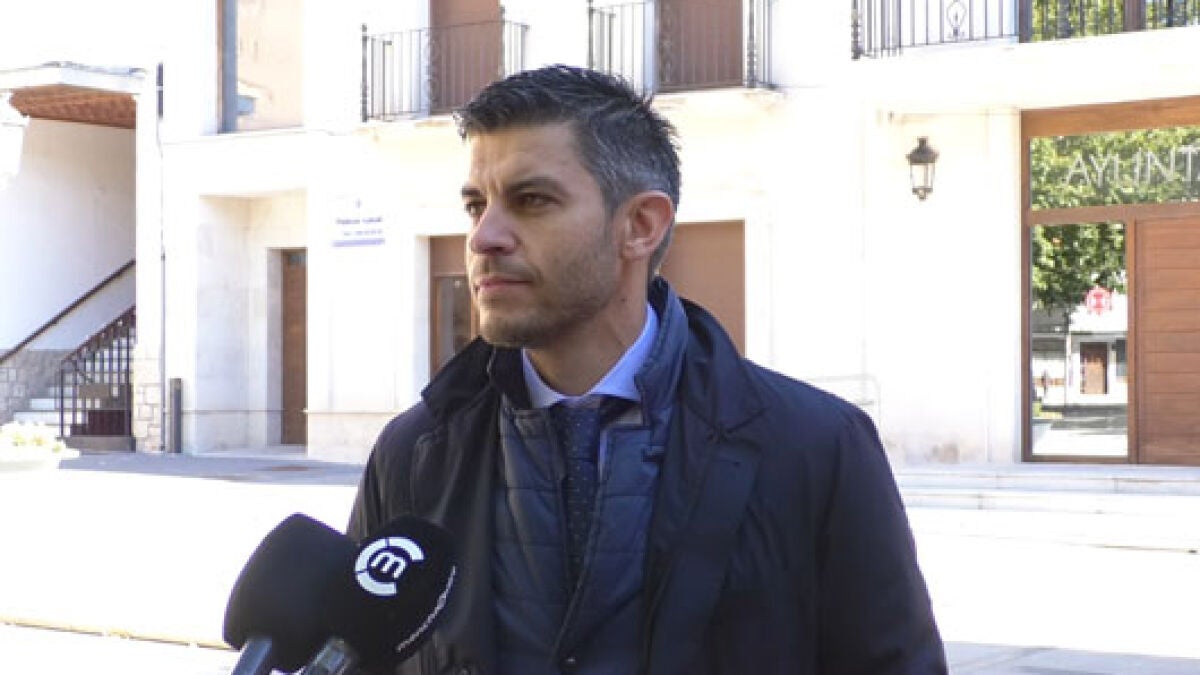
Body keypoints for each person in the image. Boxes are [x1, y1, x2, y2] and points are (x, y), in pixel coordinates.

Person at [348, 64, 946, 675]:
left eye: (531, 201)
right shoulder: (412, 453)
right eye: (476, 205)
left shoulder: (817, 448)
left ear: (640, 226)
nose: (484, 238)